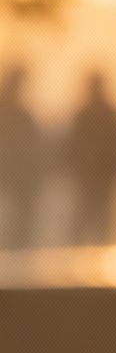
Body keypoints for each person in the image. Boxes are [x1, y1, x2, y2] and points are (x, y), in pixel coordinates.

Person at [62, 69, 116, 247]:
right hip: (88, 177)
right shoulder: (84, 115)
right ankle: (76, 251)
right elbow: (72, 146)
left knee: (101, 218)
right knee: (84, 216)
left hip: (103, 176)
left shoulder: (108, 114)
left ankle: (98, 250)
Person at [0, 64, 44, 250]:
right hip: (11, 169)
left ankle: (17, 245)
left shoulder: (23, 114)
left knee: (22, 210)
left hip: (18, 172)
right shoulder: (14, 112)